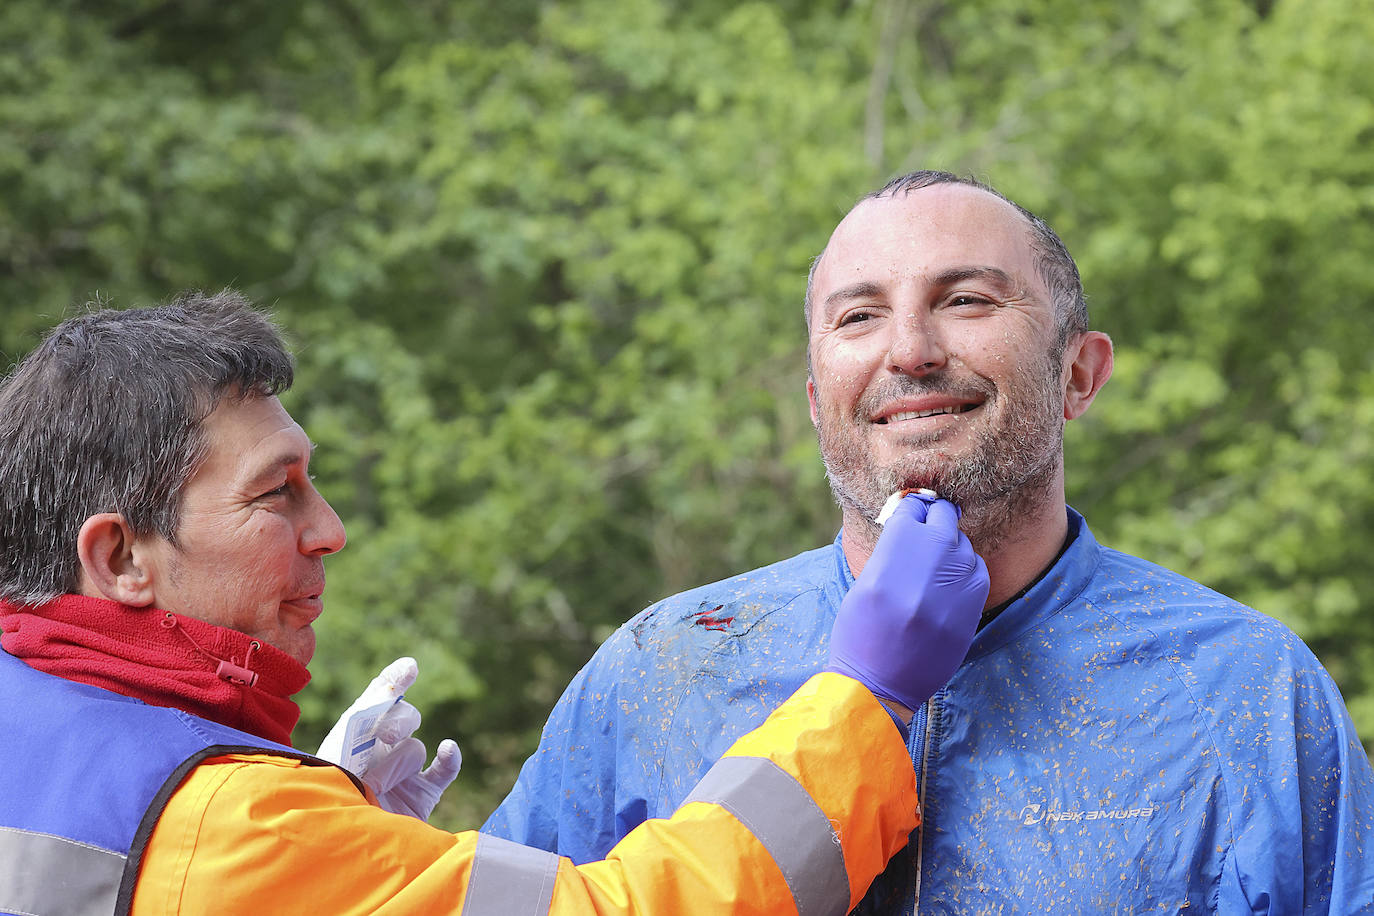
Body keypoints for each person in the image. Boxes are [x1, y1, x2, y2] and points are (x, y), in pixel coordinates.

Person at [485, 171, 1374, 913]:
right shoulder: (658, 672)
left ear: (1080, 374)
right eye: (858, 317)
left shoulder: (1248, 693)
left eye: (966, 300)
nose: (909, 349)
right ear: (815, 399)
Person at [0, 290, 993, 915]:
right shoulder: (231, 827)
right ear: (121, 555)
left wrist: (348, 845)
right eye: (276, 493)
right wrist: (864, 699)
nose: (330, 527)